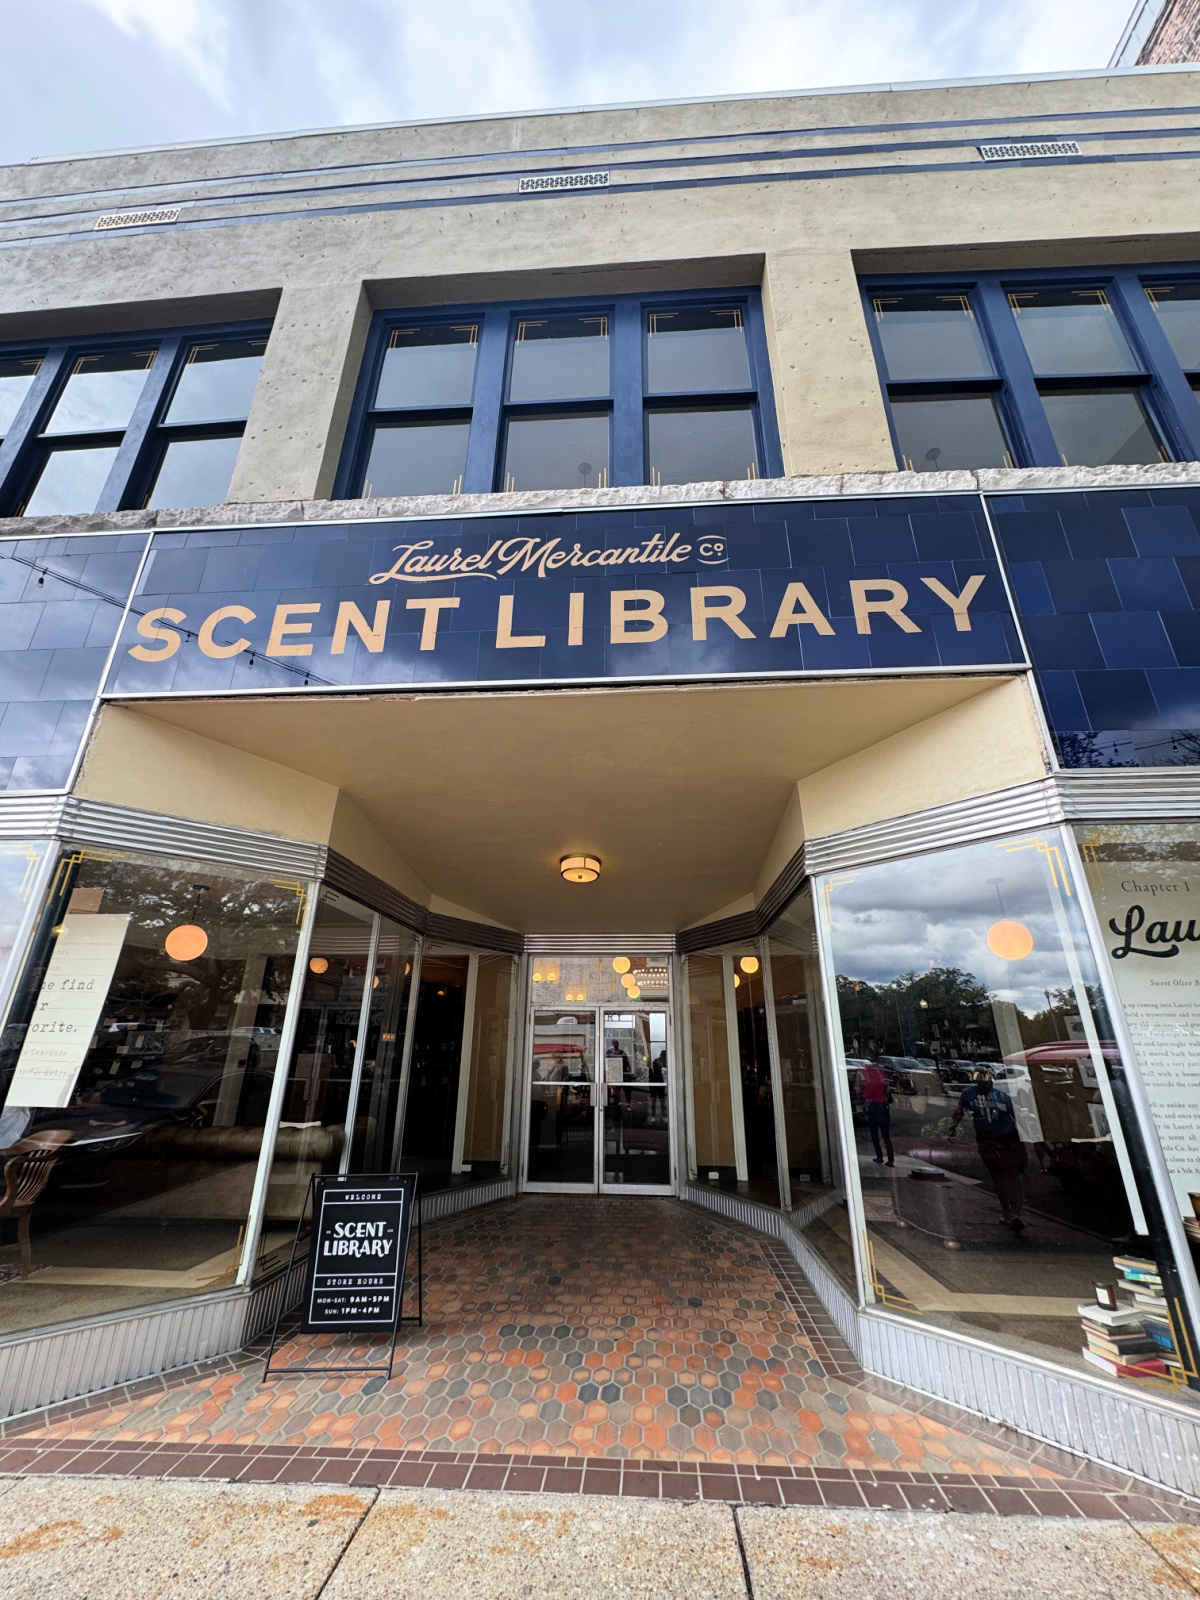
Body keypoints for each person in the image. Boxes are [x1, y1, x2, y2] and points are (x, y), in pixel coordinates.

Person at [949, 1067, 1028, 1231]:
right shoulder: (968, 1094)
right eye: (981, 1082)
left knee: (1012, 1174)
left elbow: (1015, 1116)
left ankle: (1016, 1214)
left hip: (1007, 1137)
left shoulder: (1001, 1096)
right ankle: (1007, 1210)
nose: (984, 1085)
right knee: (997, 1175)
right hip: (986, 1140)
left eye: (987, 1081)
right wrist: (952, 1129)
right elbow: (959, 1112)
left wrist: (1026, 1135)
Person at [861, 1059, 894, 1166]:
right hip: (884, 1108)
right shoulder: (881, 1077)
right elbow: (887, 1090)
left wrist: (863, 1107)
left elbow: (869, 1098)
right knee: (886, 1136)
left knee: (875, 1134)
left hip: (874, 1109)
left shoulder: (870, 1081)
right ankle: (890, 1159)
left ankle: (879, 1156)